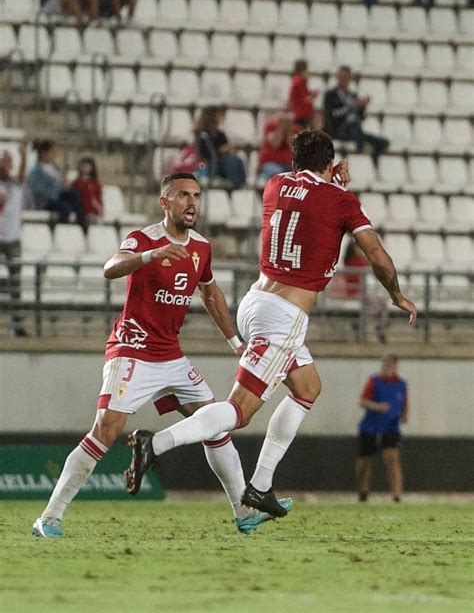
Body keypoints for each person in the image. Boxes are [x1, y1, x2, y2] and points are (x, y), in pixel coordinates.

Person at [125, 130, 416, 519]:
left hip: (254, 302)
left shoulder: (275, 184)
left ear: (295, 163)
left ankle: (260, 487)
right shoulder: (342, 201)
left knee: (308, 386)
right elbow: (376, 255)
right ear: (330, 163)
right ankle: (154, 444)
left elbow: (308, 198)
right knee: (239, 411)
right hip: (285, 316)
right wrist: (396, 294)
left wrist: (329, 179)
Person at [32, 173, 289, 538]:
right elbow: (110, 268)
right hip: (132, 349)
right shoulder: (143, 239)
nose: (192, 203)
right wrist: (150, 255)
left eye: (197, 196)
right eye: (183, 195)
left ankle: (243, 512)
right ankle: (50, 517)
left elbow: (211, 294)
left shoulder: (201, 246)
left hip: (171, 355)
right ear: (164, 202)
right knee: (105, 431)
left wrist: (235, 341)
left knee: (215, 423)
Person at [356, 355, 408, 502]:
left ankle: (397, 494)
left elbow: (404, 401)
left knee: (392, 458)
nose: (388, 368)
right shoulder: (374, 381)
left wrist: (404, 414)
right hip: (370, 426)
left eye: (391, 365)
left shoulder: (401, 384)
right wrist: (377, 407)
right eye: (386, 365)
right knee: (365, 461)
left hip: (391, 427)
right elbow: (362, 401)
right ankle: (363, 490)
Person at [324, 65, 389, 158]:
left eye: (346, 78)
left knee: (383, 143)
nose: (344, 80)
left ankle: (371, 156)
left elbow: (360, 118)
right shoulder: (330, 95)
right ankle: (362, 150)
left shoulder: (352, 95)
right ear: (337, 78)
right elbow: (331, 115)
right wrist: (351, 106)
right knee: (354, 122)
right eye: (342, 77)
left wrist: (362, 107)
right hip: (338, 130)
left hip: (354, 131)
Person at [0, 144, 28, 337]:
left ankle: (17, 325)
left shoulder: (15, 184)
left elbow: (21, 177)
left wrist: (24, 157)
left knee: (15, 285)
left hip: (13, 238)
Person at [27, 140, 86, 229]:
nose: (55, 155)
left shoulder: (54, 167)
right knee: (65, 207)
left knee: (75, 195)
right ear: (44, 153)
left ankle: (81, 225)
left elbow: (61, 184)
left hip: (58, 197)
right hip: (45, 201)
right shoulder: (35, 171)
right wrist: (58, 187)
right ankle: (61, 231)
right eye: (52, 152)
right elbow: (39, 190)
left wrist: (64, 185)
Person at [342, 240, 389, 343]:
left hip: (359, 293)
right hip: (356, 293)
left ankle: (369, 326)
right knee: (381, 304)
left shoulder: (350, 261)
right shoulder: (356, 261)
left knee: (380, 303)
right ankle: (378, 329)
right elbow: (370, 268)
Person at [194, 107, 246, 189]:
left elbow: (226, 148)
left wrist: (228, 150)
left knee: (237, 160)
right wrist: (219, 151)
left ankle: (240, 183)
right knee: (229, 162)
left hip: (221, 164)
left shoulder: (221, 134)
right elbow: (203, 153)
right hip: (208, 165)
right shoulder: (202, 135)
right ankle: (237, 182)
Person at [259, 113, 295, 179]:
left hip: (288, 165)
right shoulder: (270, 126)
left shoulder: (294, 128)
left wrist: (288, 130)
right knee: (279, 174)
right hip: (270, 164)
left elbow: (293, 146)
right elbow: (275, 143)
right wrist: (281, 128)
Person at [287, 60, 319, 128]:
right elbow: (305, 100)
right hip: (302, 116)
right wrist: (314, 95)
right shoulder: (300, 81)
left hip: (299, 114)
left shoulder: (296, 80)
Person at [72, 157, 103, 226]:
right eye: (82, 166)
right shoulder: (77, 182)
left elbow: (98, 197)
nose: (84, 168)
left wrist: (99, 208)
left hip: (93, 210)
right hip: (82, 210)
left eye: (86, 166)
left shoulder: (95, 183)